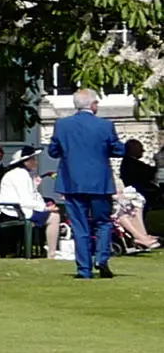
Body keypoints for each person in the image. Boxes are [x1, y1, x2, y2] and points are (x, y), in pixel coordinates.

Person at [48, 88, 125, 280]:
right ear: (93, 104)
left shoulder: (62, 125)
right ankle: (101, 257)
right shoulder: (105, 125)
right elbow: (118, 149)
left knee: (79, 226)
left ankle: (84, 269)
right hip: (99, 183)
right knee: (103, 223)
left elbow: (53, 151)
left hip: (72, 182)